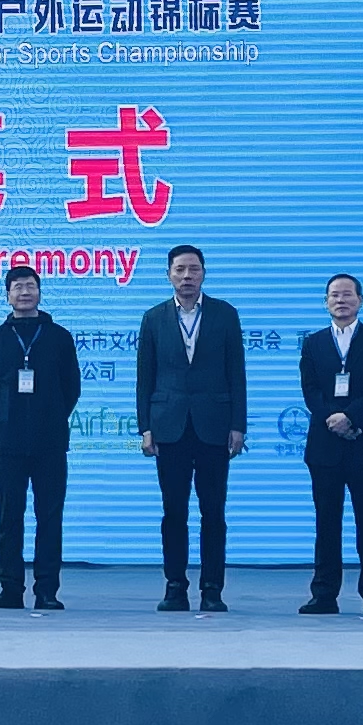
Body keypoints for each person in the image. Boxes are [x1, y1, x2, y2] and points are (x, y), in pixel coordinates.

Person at [134, 243, 247, 613]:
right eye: (180, 270)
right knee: (174, 512)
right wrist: (145, 427)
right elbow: (145, 377)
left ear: (204, 273)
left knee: (213, 512)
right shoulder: (153, 317)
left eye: (193, 269)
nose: (187, 276)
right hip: (169, 427)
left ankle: (212, 589)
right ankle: (175, 587)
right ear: (169, 274)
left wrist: (238, 425)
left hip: (214, 425)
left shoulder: (225, 314)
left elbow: (236, 373)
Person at [0, 262, 79, 611]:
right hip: (8, 443)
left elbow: (71, 388)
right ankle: (10, 589)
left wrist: (51, 416)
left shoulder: (59, 338)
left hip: (50, 441)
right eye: (18, 286)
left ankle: (47, 590)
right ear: (7, 295)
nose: (25, 292)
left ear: (40, 292)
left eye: (30, 286)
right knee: (9, 518)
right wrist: (5, 419)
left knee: (49, 517)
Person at [298, 272, 363, 616]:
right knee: (326, 521)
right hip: (324, 444)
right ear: (325, 302)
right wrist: (332, 419)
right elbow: (310, 390)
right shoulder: (313, 343)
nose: (341, 300)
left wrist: (350, 417)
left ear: (360, 301)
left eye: (347, 294)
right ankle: (324, 594)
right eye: (334, 295)